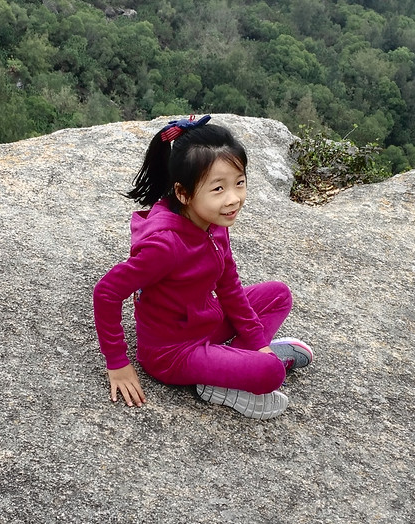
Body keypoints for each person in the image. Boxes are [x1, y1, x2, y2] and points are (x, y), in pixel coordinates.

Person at [92, 115, 312, 419]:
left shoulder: (212, 222)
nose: (233, 199)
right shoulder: (165, 246)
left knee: (278, 295)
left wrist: (259, 344)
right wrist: (117, 362)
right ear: (184, 193)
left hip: (204, 321)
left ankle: (237, 362)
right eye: (218, 189)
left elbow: (229, 286)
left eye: (239, 183)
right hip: (172, 353)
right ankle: (221, 382)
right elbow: (107, 292)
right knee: (272, 372)